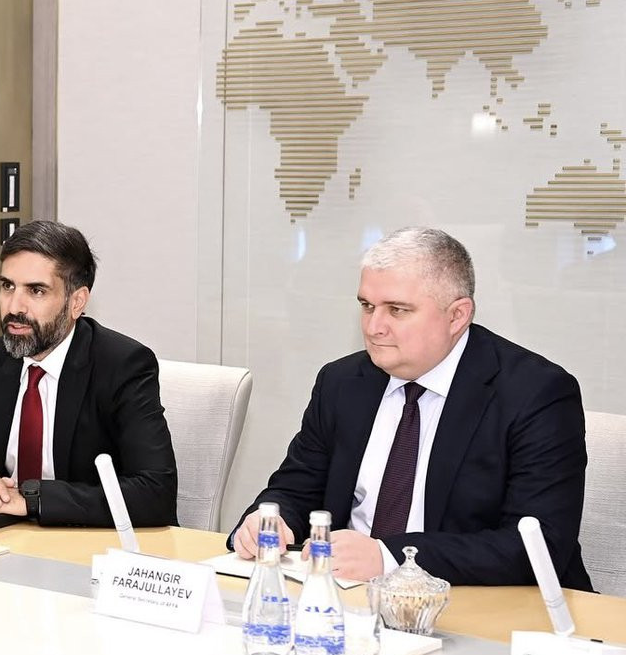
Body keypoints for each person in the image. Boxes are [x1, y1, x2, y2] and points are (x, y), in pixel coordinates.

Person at [229, 227, 592, 590]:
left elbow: (535, 546)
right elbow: (296, 488)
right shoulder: (341, 383)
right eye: (367, 306)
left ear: (457, 316)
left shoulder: (535, 394)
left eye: (397, 310)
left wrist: (388, 557)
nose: (374, 327)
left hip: (484, 603)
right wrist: (271, 519)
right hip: (348, 597)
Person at [0, 220, 177, 527]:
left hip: (92, 543)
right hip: (5, 540)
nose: (14, 306)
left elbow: (155, 492)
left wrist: (32, 500)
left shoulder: (122, 365)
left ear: (76, 302)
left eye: (36, 291)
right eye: (7, 286)